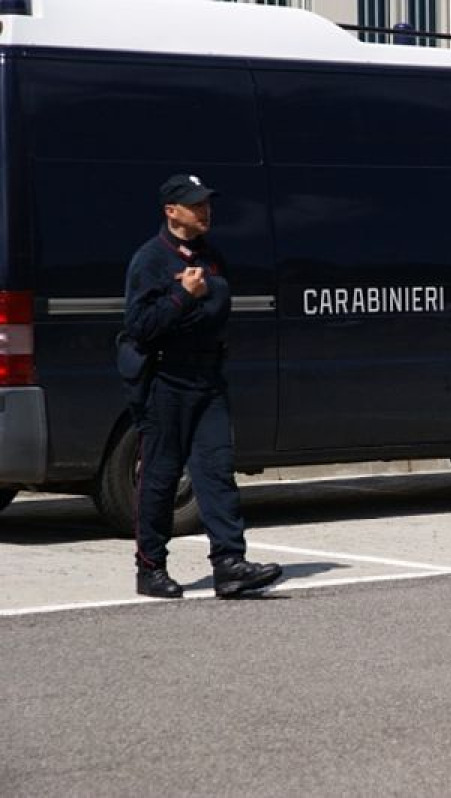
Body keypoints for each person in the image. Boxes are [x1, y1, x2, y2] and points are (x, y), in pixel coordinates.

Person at [122, 174, 282, 599]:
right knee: (160, 477)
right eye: (195, 205)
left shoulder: (212, 257)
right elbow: (139, 326)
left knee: (216, 470)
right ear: (171, 211)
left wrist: (197, 302)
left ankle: (229, 565)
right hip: (165, 381)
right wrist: (182, 297)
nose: (205, 211)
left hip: (207, 379)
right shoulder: (150, 260)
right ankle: (150, 568)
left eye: (207, 204)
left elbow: (218, 312)